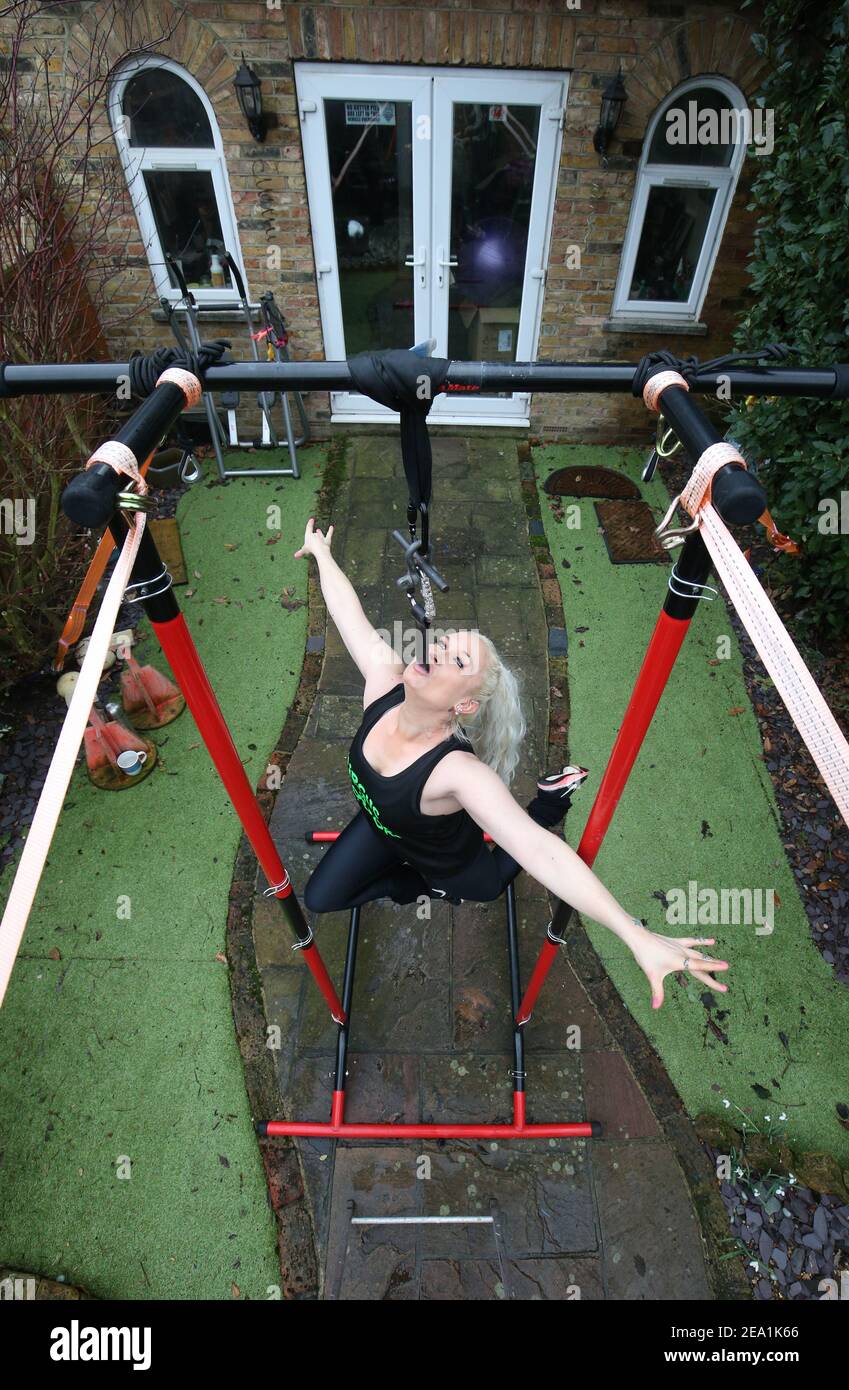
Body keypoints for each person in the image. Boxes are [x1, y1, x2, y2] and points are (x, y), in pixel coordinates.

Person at [294, 518, 730, 1011]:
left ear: (465, 706)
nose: (436, 651)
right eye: (444, 643)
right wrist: (323, 556)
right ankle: (414, 868)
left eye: (457, 662)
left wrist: (635, 933)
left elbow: (539, 852)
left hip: (451, 865)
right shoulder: (382, 681)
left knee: (489, 883)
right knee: (321, 898)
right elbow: (348, 614)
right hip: (385, 828)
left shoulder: (457, 774)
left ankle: (548, 805)